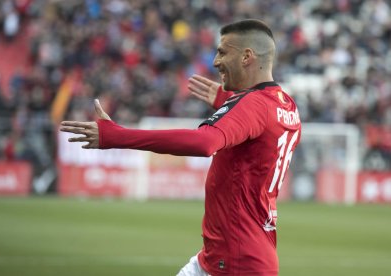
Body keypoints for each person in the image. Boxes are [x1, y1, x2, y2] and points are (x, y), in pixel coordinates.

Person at [61, 19, 301, 276]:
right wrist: (227, 104)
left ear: (247, 57)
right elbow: (259, 135)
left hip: (237, 264)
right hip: (222, 257)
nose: (215, 62)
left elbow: (204, 142)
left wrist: (118, 136)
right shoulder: (286, 106)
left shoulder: (253, 106)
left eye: (222, 52)